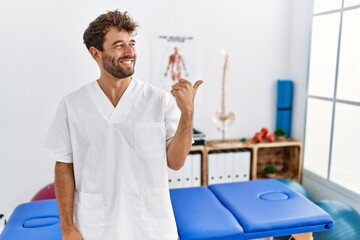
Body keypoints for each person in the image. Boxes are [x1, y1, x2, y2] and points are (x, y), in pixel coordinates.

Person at [44, 10, 202, 240]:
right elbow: (64, 166)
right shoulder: (73, 105)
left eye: (132, 43)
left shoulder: (159, 101)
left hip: (151, 227)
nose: (130, 52)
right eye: (119, 45)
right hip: (95, 228)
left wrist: (187, 114)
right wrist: (67, 228)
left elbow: (176, 163)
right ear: (95, 53)